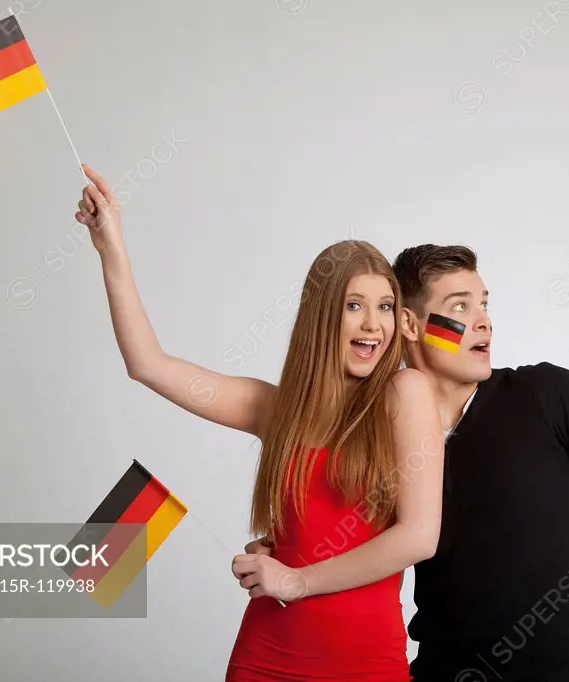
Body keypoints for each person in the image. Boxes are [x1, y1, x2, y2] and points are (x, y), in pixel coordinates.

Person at [246, 243, 569, 681]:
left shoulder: (545, 395)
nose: (483, 321)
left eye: (484, 304)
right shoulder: (368, 430)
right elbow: (342, 524)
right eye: (459, 307)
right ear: (410, 325)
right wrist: (290, 545)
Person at [73, 166, 446, 682]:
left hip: (366, 665)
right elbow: (148, 364)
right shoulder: (274, 410)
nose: (373, 324)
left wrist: (295, 581)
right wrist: (110, 245)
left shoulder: (406, 396)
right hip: (266, 658)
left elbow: (419, 538)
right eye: (353, 306)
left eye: (385, 306)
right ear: (322, 317)